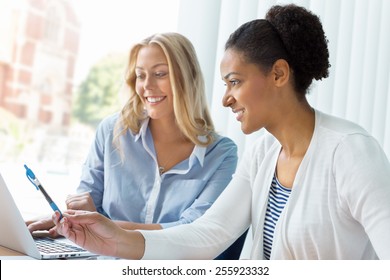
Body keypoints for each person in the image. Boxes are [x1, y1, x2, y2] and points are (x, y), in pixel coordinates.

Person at [52, 4, 390, 259]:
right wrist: (111, 237)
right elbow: (209, 233)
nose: (226, 98)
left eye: (235, 82)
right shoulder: (262, 153)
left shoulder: (350, 152)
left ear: (278, 74)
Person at [27, 32, 244, 258]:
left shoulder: (221, 154)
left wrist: (102, 225)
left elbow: (192, 231)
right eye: (141, 76)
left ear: (187, 78)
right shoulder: (112, 131)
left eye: (160, 74)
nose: (147, 86)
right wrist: (69, 220)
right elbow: (85, 206)